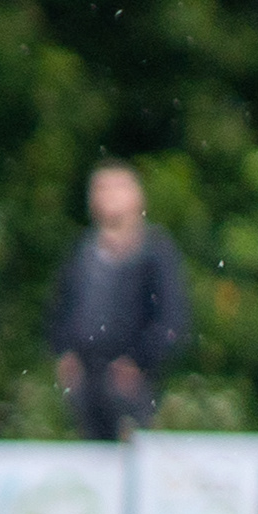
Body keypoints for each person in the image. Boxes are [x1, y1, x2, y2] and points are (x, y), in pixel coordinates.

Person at [47, 158, 186, 441]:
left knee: (133, 443)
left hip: (134, 380)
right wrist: (64, 352)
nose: (109, 196)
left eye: (118, 187)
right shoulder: (83, 252)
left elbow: (171, 319)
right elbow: (60, 308)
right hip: (85, 377)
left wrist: (139, 361)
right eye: (101, 188)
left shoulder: (155, 253)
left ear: (138, 196)